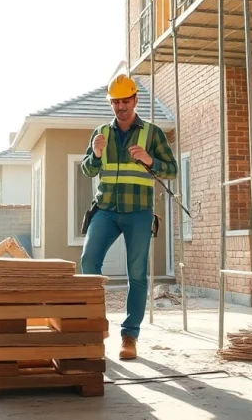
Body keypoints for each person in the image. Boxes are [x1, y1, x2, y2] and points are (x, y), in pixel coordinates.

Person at [80, 74, 178, 360]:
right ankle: (95, 327)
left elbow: (171, 170)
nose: (121, 107)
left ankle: (129, 336)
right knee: (89, 262)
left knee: (137, 274)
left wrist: (149, 160)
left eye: (125, 100)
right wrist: (96, 155)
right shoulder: (101, 133)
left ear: (135, 100)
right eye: (115, 102)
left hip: (138, 211)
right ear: (110, 103)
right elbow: (88, 170)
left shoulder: (152, 133)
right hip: (106, 210)